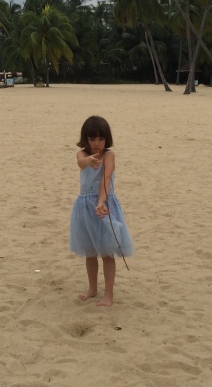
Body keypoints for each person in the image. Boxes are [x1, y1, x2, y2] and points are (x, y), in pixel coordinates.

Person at [69, 116, 134, 307]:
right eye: (92, 139)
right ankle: (92, 288)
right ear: (85, 139)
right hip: (84, 208)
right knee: (90, 252)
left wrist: (101, 202)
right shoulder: (82, 154)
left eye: (100, 139)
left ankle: (109, 294)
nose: (96, 144)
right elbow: (81, 162)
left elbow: (106, 179)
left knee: (107, 252)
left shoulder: (109, 155)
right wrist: (88, 160)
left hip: (104, 206)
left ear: (106, 139)